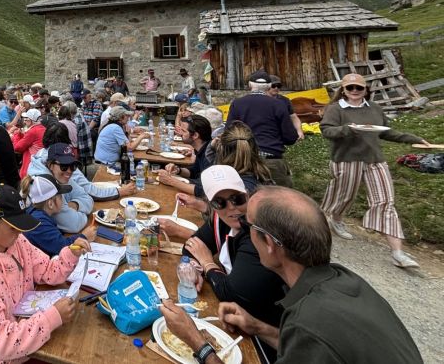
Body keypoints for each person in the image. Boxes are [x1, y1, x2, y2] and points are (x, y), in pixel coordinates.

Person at [161, 186, 422, 364]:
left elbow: (313, 337)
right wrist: (257, 327)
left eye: (248, 226)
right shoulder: (344, 281)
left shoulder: (310, 320)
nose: (241, 228)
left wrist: (198, 342)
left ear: (270, 245)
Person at [165, 165, 285, 359]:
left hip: (267, 335)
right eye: (220, 202)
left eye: (237, 199)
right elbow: (191, 245)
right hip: (235, 319)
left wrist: (207, 263)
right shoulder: (220, 220)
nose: (231, 208)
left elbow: (233, 293)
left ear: (247, 195)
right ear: (212, 206)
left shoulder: (256, 231)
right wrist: (195, 268)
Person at [0, 185, 88, 364]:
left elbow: (47, 270)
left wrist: (69, 254)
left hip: (26, 340)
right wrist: (52, 317)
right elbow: (1, 342)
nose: (20, 232)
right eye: (14, 228)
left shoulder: (17, 242)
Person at [319, 73, 429, 268]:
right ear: (343, 90)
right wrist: (348, 129)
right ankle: (335, 218)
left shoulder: (375, 109)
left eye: (358, 88)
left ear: (365, 90)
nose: (354, 91)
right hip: (346, 160)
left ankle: (397, 253)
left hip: (375, 161)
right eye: (350, 88)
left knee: (386, 202)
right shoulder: (335, 109)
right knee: (344, 196)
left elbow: (386, 131)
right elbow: (327, 130)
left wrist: (414, 139)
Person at [226, 70, 298, 187]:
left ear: (249, 85)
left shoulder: (238, 104)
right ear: (269, 86)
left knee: (247, 197)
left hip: (243, 159)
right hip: (272, 159)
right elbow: (290, 137)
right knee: (277, 198)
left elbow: (229, 132)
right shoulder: (278, 105)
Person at [27, 141, 94, 234]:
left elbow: (88, 199)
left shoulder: (61, 175)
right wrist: (84, 213)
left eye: (73, 166)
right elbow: (74, 224)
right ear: (50, 165)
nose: (69, 171)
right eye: (64, 166)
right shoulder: (44, 184)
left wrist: (75, 204)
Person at [22, 172, 96, 256]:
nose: (63, 200)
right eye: (61, 197)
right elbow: (61, 247)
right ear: (50, 204)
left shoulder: (38, 214)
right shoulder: (38, 223)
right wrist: (84, 236)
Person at [157, 114, 212, 194]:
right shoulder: (201, 149)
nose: (180, 133)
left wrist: (171, 181)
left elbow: (204, 190)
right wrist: (178, 170)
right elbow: (194, 172)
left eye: (184, 131)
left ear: (195, 135)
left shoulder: (210, 155)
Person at [10, 108, 45, 179]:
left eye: (26, 119)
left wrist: (17, 135)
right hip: (40, 164)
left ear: (31, 120)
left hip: (30, 166)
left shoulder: (32, 131)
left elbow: (17, 148)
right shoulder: (43, 128)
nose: (25, 121)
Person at [268, 75, 304, 140]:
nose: (276, 88)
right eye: (273, 86)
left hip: (282, 133)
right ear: (267, 86)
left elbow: (294, 117)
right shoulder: (261, 100)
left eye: (278, 86)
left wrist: (299, 131)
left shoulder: (285, 100)